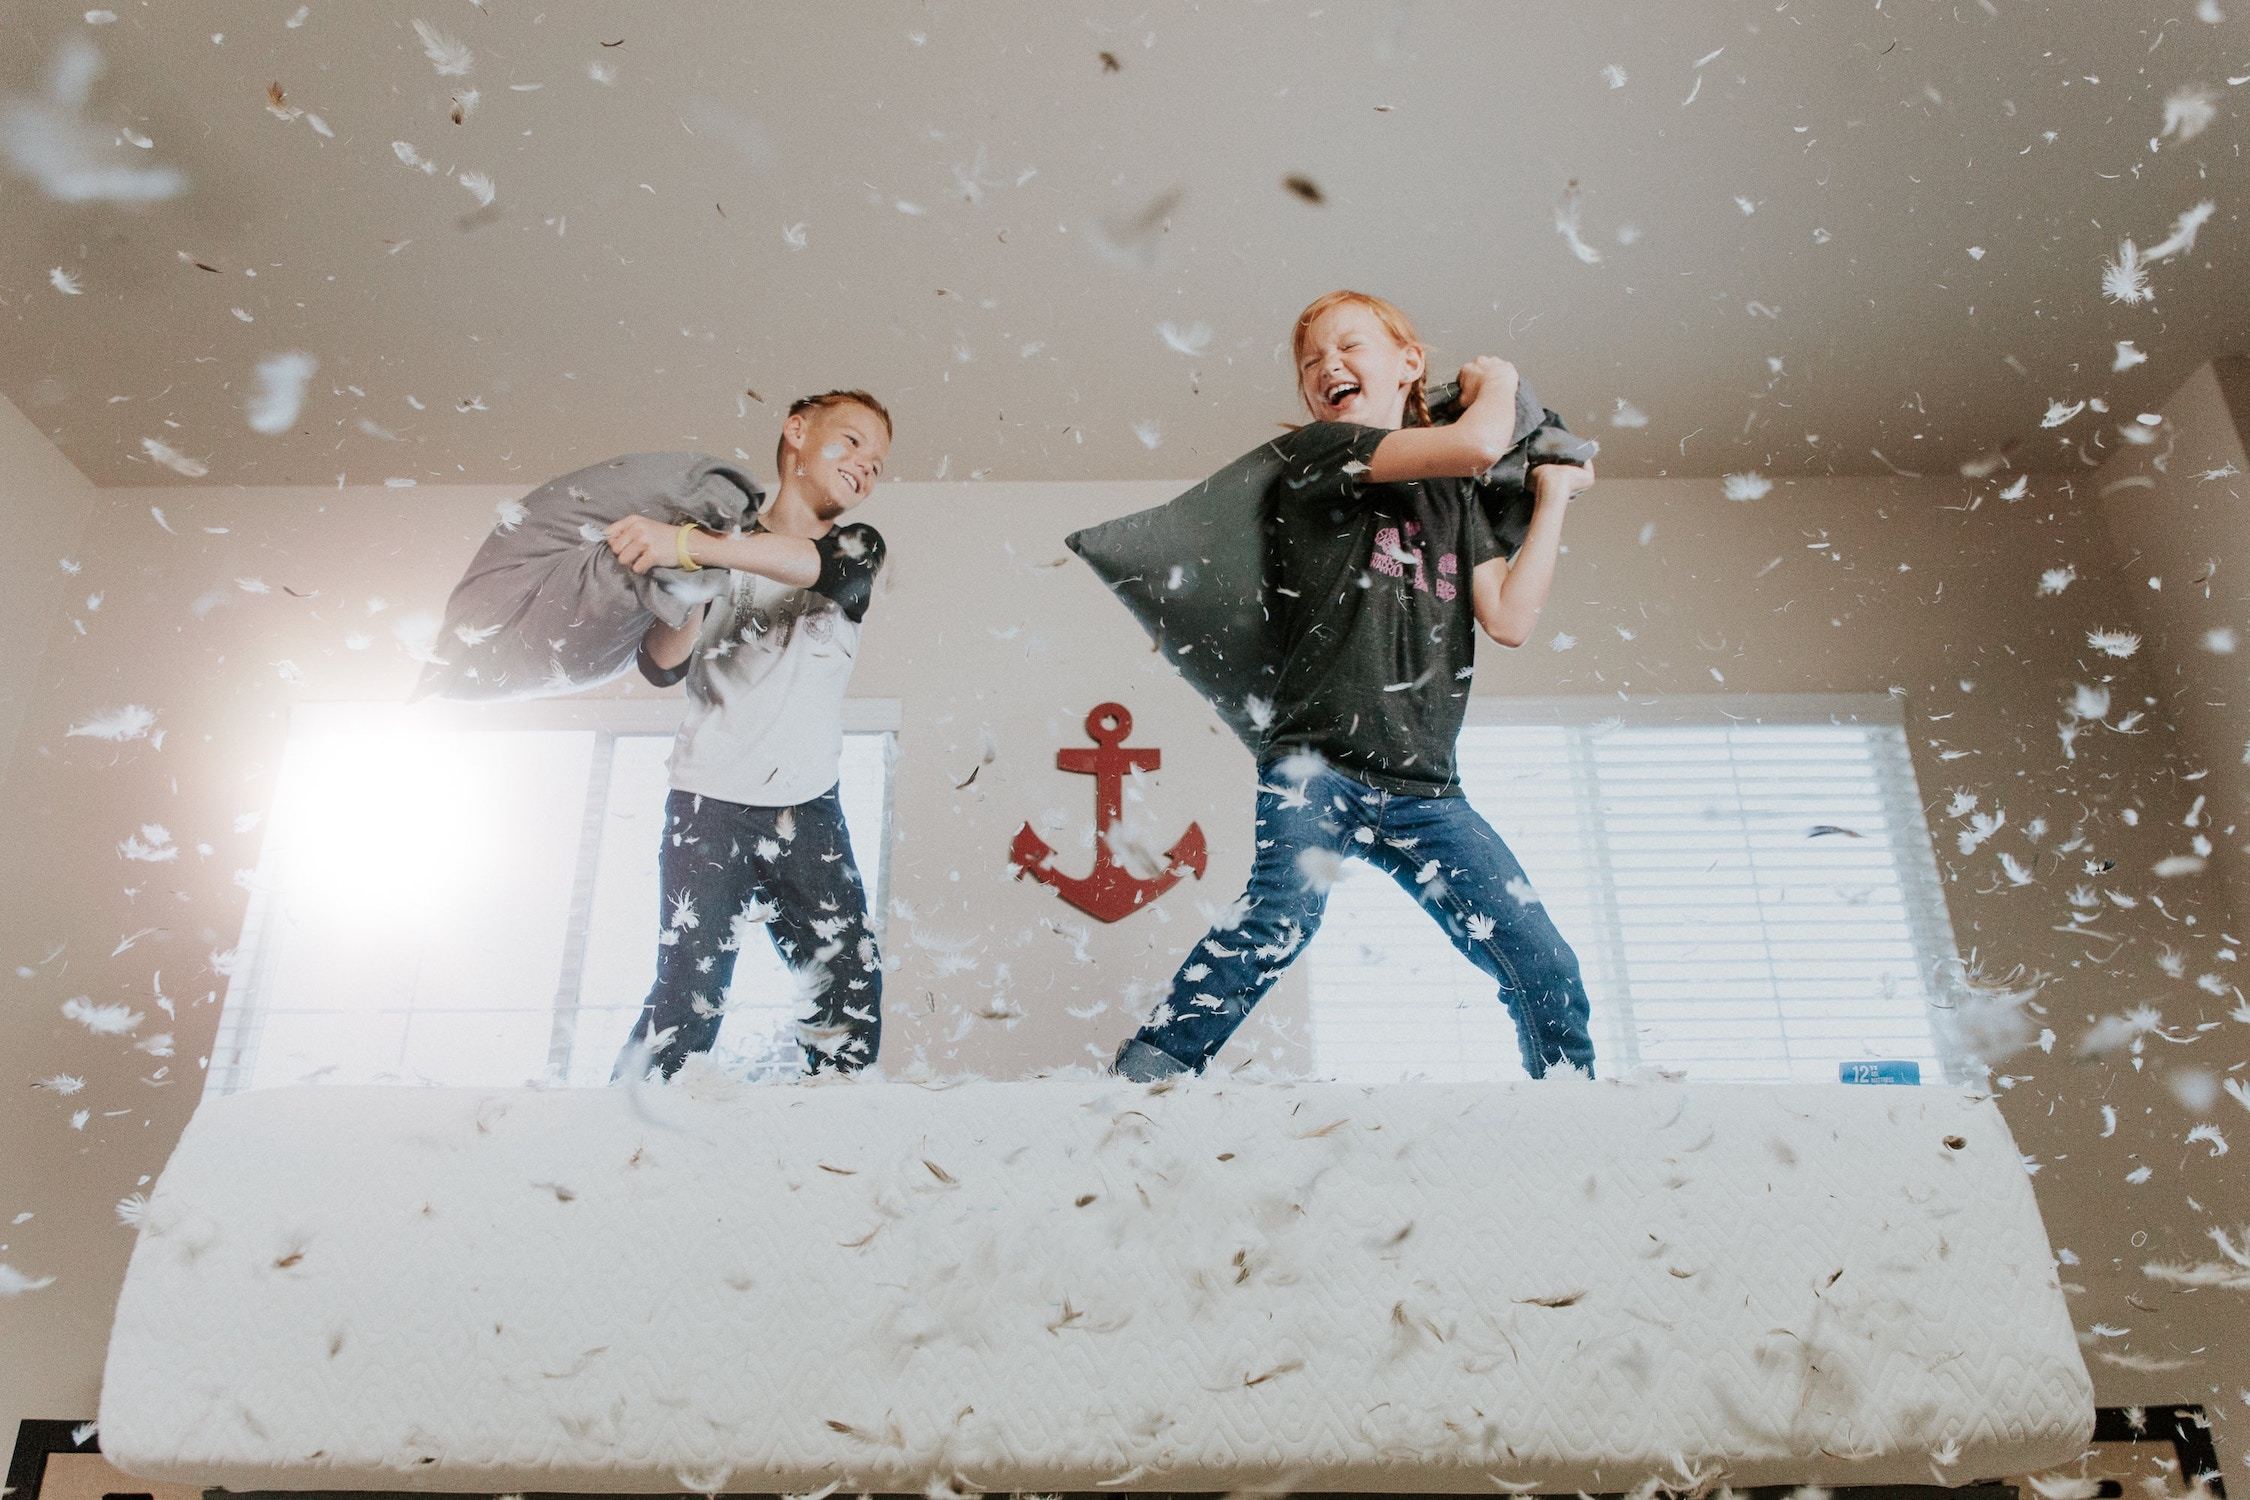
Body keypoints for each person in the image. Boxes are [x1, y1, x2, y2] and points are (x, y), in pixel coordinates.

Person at [1110, 291, 1599, 1083]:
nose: (1327, 366)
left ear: (1409, 364)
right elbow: (1478, 441)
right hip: (1317, 766)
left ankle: (1578, 1103)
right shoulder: (1321, 452)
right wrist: (1500, 380)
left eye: (1349, 348)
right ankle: (1140, 1082)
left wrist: (1549, 498)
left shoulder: (1458, 499)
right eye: (1311, 362)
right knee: (1277, 919)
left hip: (1426, 787)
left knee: (1540, 959)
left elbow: (1509, 617)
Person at [606, 390, 893, 1080]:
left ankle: (827, 1149)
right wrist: (692, 576)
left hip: (807, 809)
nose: (866, 465)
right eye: (851, 441)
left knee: (850, 997)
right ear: (796, 431)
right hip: (707, 806)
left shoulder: (854, 545)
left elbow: (823, 572)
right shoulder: (716, 544)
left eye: (879, 462)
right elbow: (659, 663)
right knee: (689, 1000)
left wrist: (690, 544)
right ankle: (616, 1139)